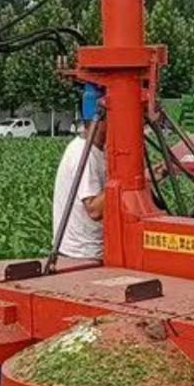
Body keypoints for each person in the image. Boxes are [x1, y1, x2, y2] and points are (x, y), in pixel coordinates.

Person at [51, 83, 107, 261]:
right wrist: (129, 180)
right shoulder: (83, 153)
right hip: (82, 255)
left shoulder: (99, 151)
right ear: (102, 118)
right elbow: (94, 210)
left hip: (94, 252)